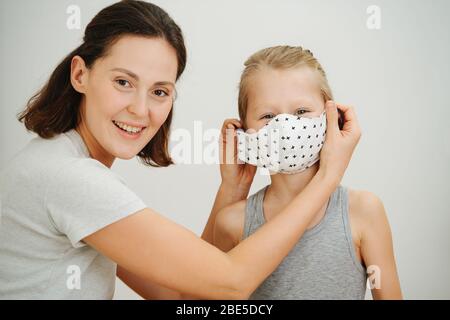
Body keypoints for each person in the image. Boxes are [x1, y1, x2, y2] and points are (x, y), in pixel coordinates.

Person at [0, 1, 360, 299]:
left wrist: (232, 189)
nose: (141, 110)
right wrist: (327, 177)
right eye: (123, 82)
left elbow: (178, 296)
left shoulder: (65, 167)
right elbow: (232, 283)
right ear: (80, 75)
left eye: (159, 91)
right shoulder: (71, 179)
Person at [212, 45, 402, 299]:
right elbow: (197, 298)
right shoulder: (232, 222)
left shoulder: (364, 211)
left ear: (331, 115)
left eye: (301, 112)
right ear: (243, 132)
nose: (286, 125)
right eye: (268, 116)